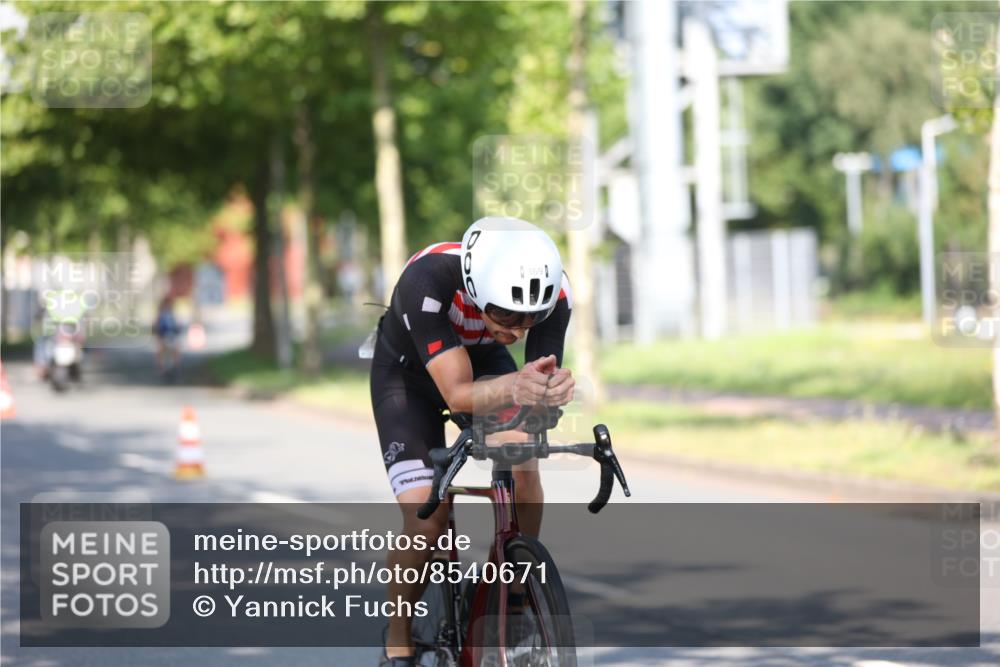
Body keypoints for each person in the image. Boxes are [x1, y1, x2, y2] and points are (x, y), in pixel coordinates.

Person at [369, 216, 575, 666]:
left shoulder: (555, 296)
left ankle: (517, 590)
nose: (518, 329)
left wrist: (548, 394)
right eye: (505, 313)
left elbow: (535, 384)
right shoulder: (426, 281)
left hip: (481, 362)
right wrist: (517, 386)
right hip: (407, 378)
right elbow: (458, 394)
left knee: (524, 455)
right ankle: (399, 642)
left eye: (531, 317)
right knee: (427, 517)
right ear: (477, 290)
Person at [152, 295, 182, 378]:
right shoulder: (161, 314)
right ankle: (161, 367)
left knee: (176, 348)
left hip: (172, 334)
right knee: (160, 350)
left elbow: (177, 324)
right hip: (163, 334)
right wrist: (156, 332)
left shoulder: (173, 314)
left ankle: (176, 365)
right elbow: (156, 325)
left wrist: (178, 329)